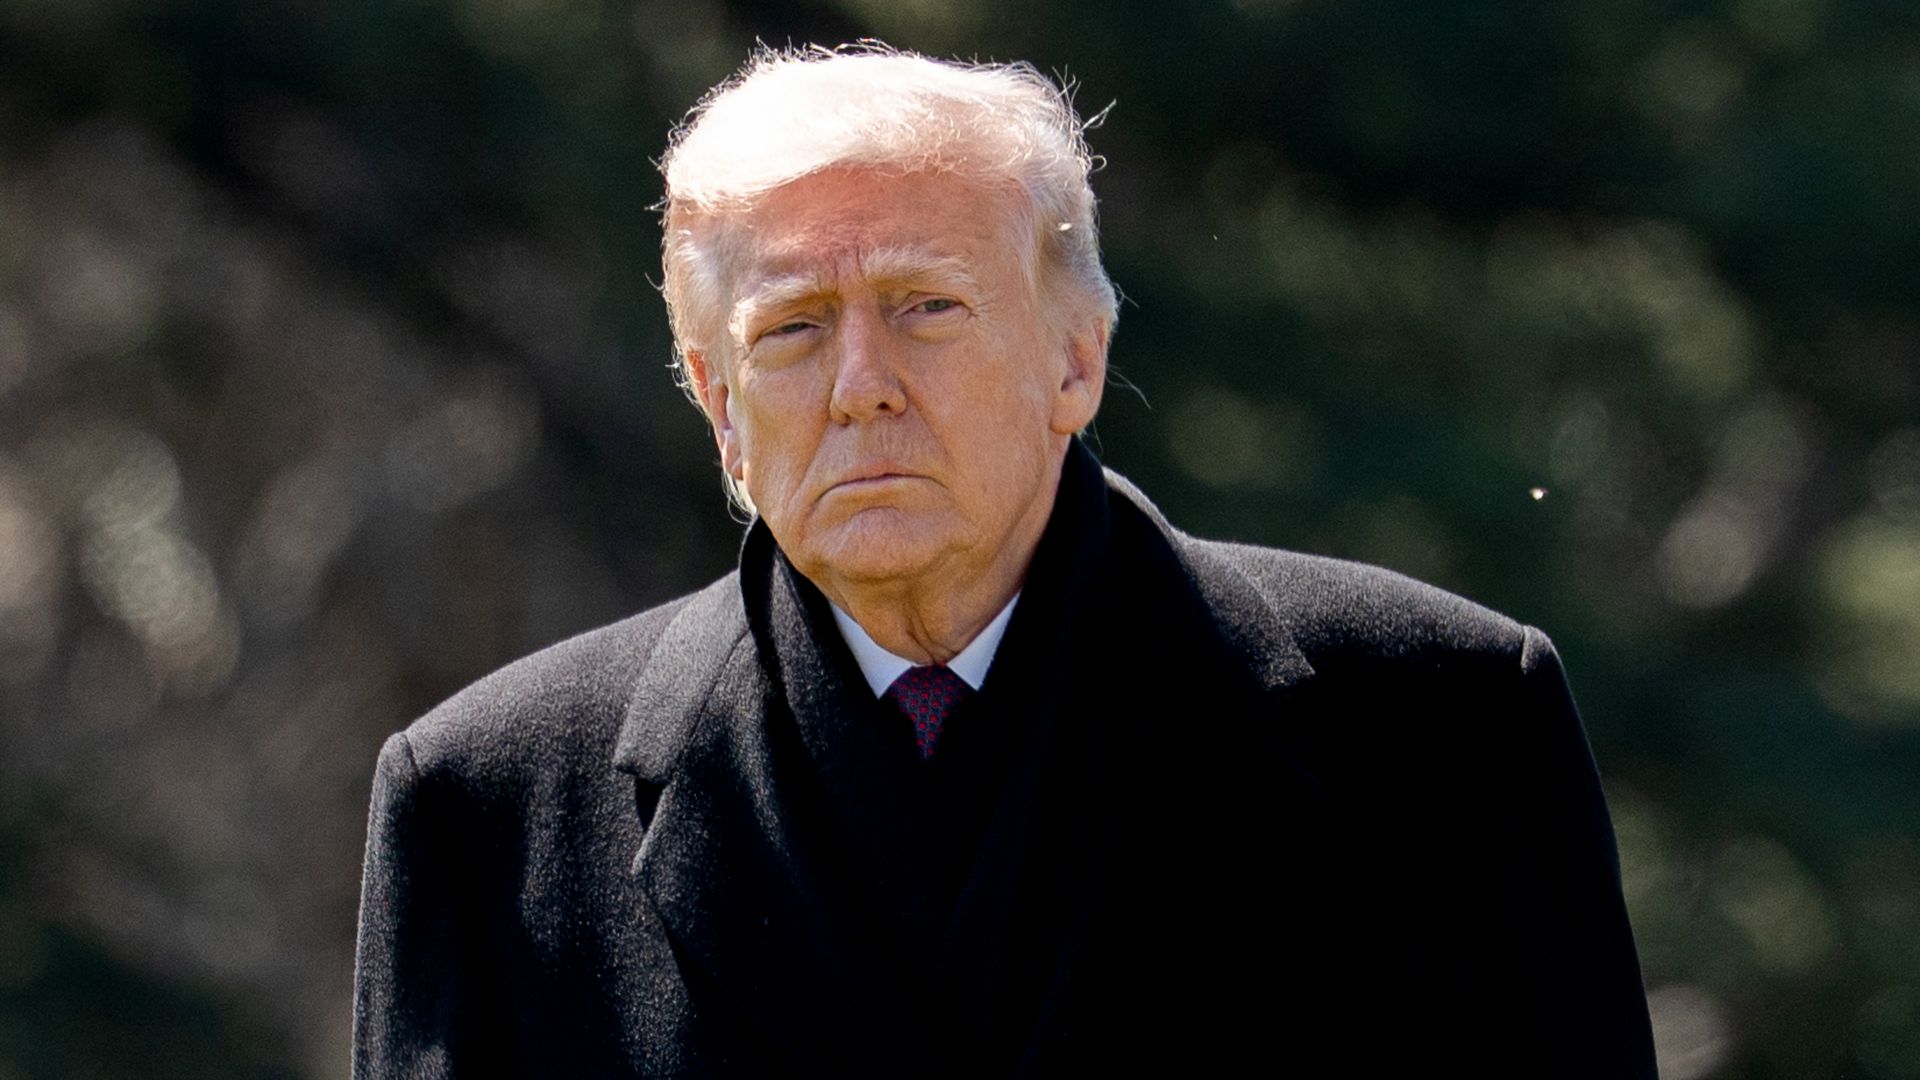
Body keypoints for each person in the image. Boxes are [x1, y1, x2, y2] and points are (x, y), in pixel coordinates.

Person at [352, 45, 1658, 1079]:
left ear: (1076, 356)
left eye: (926, 305)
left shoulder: (1441, 725)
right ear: (719, 405)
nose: (861, 384)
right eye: (793, 328)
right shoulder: (490, 809)